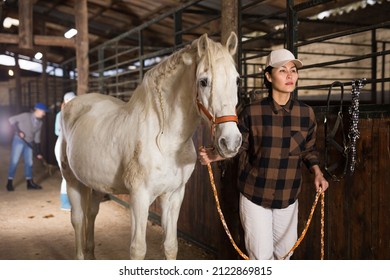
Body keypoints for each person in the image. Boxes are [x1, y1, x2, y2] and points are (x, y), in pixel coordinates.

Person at [198, 49, 329, 260]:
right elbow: (239, 145)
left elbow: (308, 150)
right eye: (282, 70)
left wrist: (317, 172)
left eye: (293, 71)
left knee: (285, 256)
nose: (289, 76)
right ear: (268, 76)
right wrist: (214, 156)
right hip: (255, 197)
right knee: (261, 259)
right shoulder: (252, 112)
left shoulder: (306, 113)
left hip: (288, 198)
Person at [6, 102, 49, 191]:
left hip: (29, 142)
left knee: (29, 163)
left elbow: (37, 138)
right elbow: (11, 120)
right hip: (19, 141)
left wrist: (38, 152)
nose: (44, 113)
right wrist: (18, 131)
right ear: (38, 110)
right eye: (43, 111)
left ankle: (29, 183)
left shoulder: (40, 123)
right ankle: (9, 182)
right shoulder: (26, 116)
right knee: (14, 161)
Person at [54, 92, 76, 211]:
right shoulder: (60, 115)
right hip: (62, 145)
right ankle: (64, 202)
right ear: (66, 101)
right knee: (66, 175)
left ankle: (73, 200)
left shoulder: (75, 113)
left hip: (71, 146)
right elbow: (57, 132)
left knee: (74, 175)